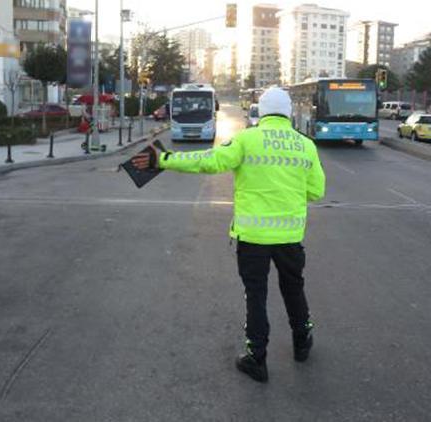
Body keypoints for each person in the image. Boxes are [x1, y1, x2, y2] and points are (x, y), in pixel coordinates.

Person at [132, 87, 326, 383]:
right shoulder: (306, 145)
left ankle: (257, 358)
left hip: (253, 238)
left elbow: (210, 161)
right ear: (288, 113)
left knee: (256, 295)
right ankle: (302, 341)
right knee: (293, 289)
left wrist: (165, 159)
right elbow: (316, 191)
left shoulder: (247, 140)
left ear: (260, 111)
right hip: (289, 237)